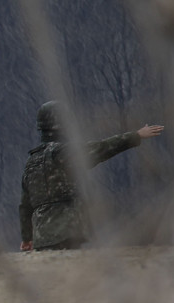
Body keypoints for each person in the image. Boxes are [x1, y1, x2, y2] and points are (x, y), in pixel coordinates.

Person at [19, 101, 164, 251]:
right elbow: (102, 148)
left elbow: (25, 205)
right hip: (66, 231)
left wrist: (27, 238)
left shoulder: (31, 161)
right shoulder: (63, 153)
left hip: (42, 237)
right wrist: (136, 136)